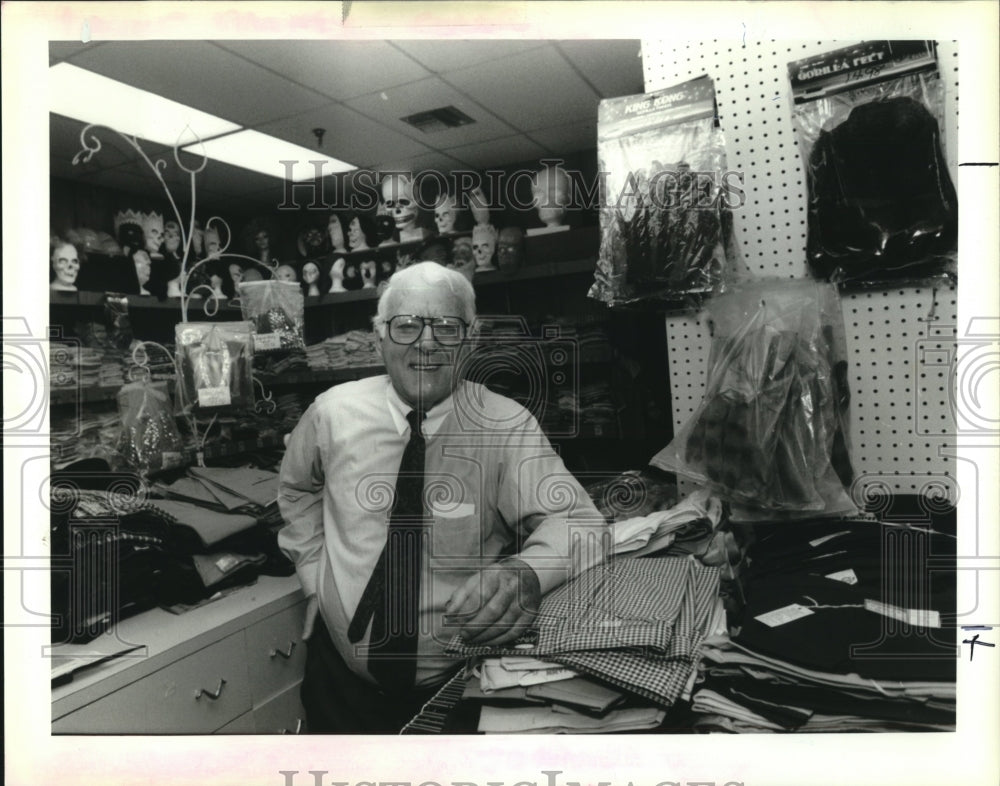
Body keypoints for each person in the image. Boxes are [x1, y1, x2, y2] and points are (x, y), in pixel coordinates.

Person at [277, 261, 607, 733]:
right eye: (407, 325)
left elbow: (580, 523)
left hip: (458, 690)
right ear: (379, 339)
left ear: (470, 341)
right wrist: (315, 574)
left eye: (446, 328)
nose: (426, 343)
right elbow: (295, 489)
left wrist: (527, 573)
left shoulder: (505, 425)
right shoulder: (331, 414)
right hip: (339, 688)